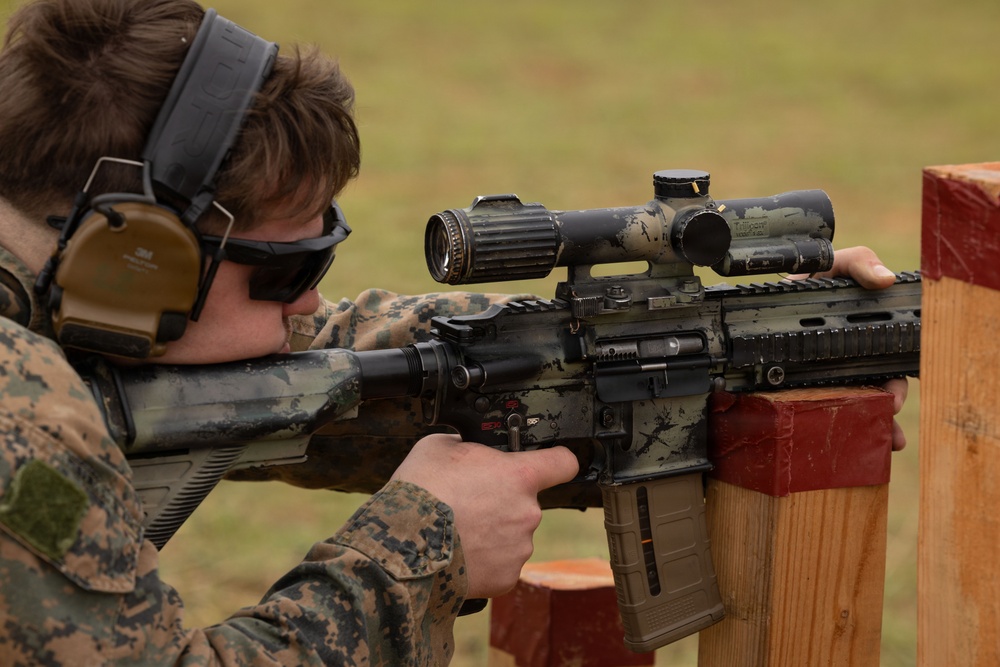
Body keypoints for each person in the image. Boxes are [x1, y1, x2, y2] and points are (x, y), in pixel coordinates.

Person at [0, 0, 908, 665]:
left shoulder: (47, 287)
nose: (309, 303)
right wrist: (416, 549)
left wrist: (687, 342)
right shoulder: (24, 420)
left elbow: (331, 362)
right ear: (135, 257)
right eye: (285, 270)